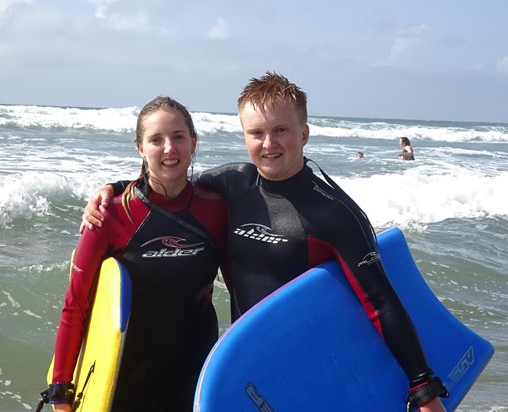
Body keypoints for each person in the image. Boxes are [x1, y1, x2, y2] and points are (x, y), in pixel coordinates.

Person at [82, 73, 448, 411]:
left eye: (281, 130)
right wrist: (114, 190)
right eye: (256, 132)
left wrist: (423, 387)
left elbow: (381, 302)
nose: (268, 144)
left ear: (304, 133)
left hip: (311, 372)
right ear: (245, 136)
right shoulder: (232, 184)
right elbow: (168, 183)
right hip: (248, 369)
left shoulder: (335, 213)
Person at [39, 96, 228, 412]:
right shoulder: (108, 216)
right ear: (140, 147)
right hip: (125, 379)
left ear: (193, 142)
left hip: (194, 378)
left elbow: (241, 285)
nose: (169, 148)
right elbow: (76, 305)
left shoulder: (217, 209)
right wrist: (61, 391)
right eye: (156, 139)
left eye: (178, 137)